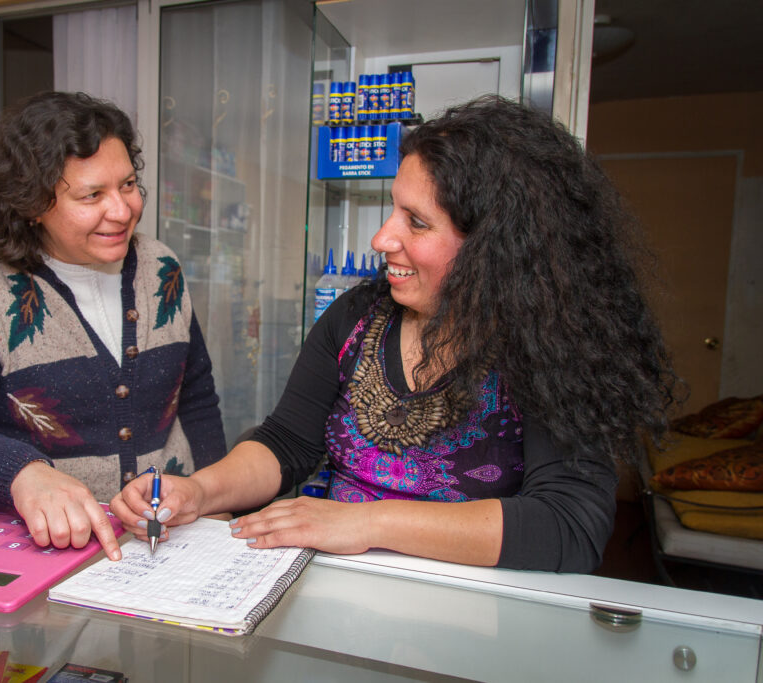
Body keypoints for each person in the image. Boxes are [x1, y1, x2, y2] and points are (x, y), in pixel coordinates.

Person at [111, 95, 680, 573]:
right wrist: (200, 492)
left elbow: (566, 527)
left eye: (417, 222)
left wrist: (366, 522)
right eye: (392, 210)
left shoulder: (553, 346)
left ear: (499, 248)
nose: (383, 238)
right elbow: (288, 442)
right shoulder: (357, 314)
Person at [0, 91, 227, 561]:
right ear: (32, 204)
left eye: (128, 185)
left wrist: (212, 503)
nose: (122, 211)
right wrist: (23, 473)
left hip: (171, 544)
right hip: (53, 554)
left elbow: (196, 395)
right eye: (92, 196)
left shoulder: (160, 266)